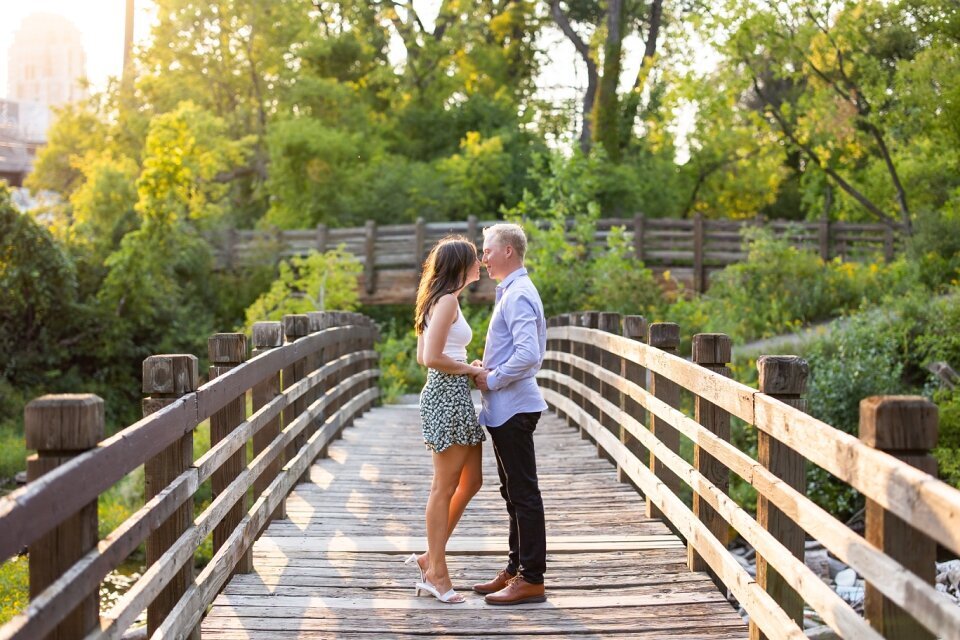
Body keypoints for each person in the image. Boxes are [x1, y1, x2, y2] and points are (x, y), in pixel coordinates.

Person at [405, 236, 486, 604]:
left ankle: (429, 556)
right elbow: (430, 357)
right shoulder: (447, 300)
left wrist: (466, 368)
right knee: (444, 485)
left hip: (452, 392)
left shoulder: (442, 301)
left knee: (471, 480)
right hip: (446, 393)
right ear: (460, 266)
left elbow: (435, 353)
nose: (480, 264)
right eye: (475, 259)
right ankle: (437, 572)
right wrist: (467, 368)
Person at [471, 223, 549, 605]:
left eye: (487, 250)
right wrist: (486, 366)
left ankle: (532, 578)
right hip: (505, 408)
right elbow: (514, 350)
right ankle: (516, 568)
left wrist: (493, 378)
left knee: (524, 493)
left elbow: (529, 354)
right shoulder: (511, 291)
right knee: (512, 493)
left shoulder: (517, 294)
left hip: (514, 406)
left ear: (507, 252)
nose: (482, 257)